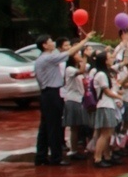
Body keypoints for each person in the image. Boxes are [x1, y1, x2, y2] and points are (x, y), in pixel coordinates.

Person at [33, 32, 95, 166]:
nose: (52, 43)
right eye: (50, 41)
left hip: (47, 94)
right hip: (51, 94)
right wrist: (85, 40)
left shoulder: (42, 59)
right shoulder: (47, 58)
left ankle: (41, 156)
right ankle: (56, 157)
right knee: (54, 127)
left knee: (45, 126)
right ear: (44, 45)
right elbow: (69, 52)